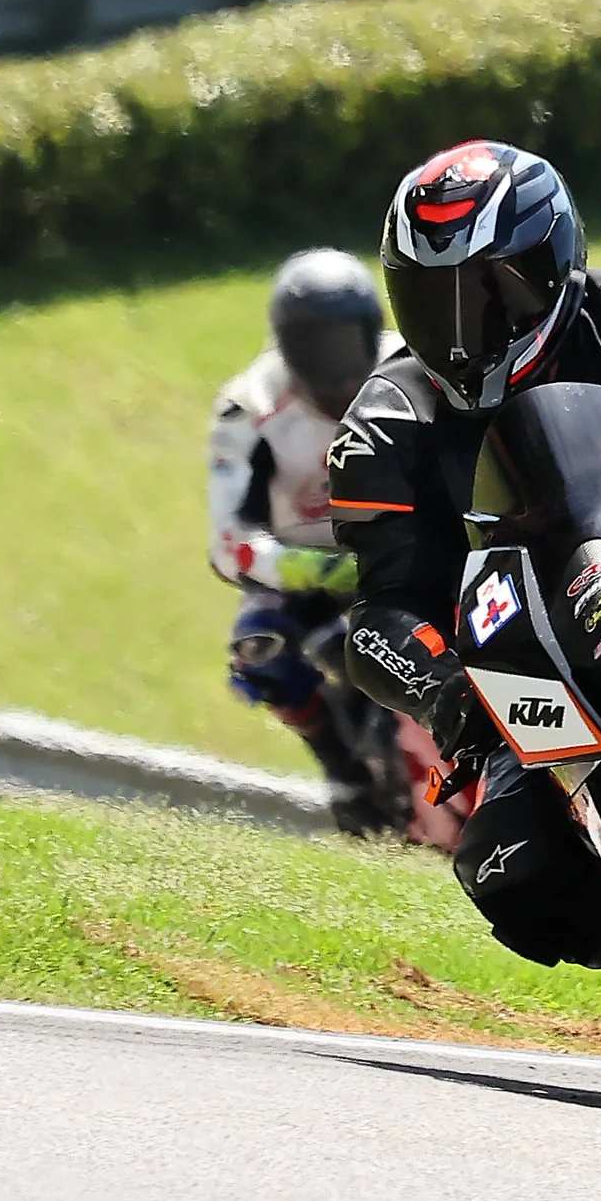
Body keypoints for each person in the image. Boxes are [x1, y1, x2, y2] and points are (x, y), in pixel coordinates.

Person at [327, 139, 601, 967]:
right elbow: (381, 611)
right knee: (516, 872)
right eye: (432, 301)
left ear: (558, 264)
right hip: (532, 670)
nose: (463, 331)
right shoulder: (388, 419)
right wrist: (446, 689)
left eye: (492, 292)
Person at [207, 248, 403, 832]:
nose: (336, 368)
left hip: (398, 551)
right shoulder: (247, 409)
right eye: (316, 346)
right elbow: (228, 542)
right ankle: (338, 763)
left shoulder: (411, 374)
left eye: (346, 341)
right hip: (299, 574)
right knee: (257, 648)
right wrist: (317, 572)